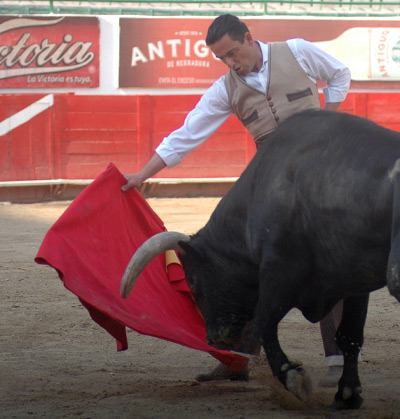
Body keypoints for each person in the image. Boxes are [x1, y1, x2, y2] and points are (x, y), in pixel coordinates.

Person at [122, 14, 351, 387]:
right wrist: (141, 176)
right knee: (248, 264)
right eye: (222, 59)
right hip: (271, 182)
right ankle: (238, 360)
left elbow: (340, 74)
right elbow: (187, 134)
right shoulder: (225, 88)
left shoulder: (296, 51)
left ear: (248, 38)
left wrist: (328, 117)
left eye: (232, 53)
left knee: (327, 260)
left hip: (320, 173)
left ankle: (339, 363)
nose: (231, 63)